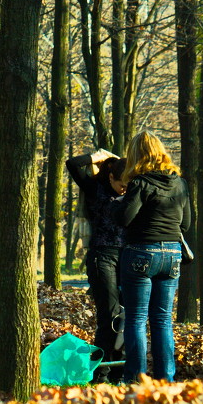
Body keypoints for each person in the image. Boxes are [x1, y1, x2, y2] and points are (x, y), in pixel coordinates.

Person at [116, 131, 192, 382]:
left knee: (137, 319)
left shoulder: (140, 183)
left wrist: (121, 200)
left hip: (141, 252)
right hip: (172, 254)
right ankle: (165, 380)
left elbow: (124, 219)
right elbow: (187, 223)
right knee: (162, 319)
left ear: (136, 156)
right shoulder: (179, 183)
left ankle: (136, 379)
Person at [65, 148, 128, 380]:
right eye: (122, 184)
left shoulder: (133, 190)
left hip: (128, 258)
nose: (125, 189)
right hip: (102, 257)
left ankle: (119, 372)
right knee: (109, 316)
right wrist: (97, 157)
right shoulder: (95, 189)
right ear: (111, 177)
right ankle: (100, 372)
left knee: (127, 316)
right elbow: (72, 164)